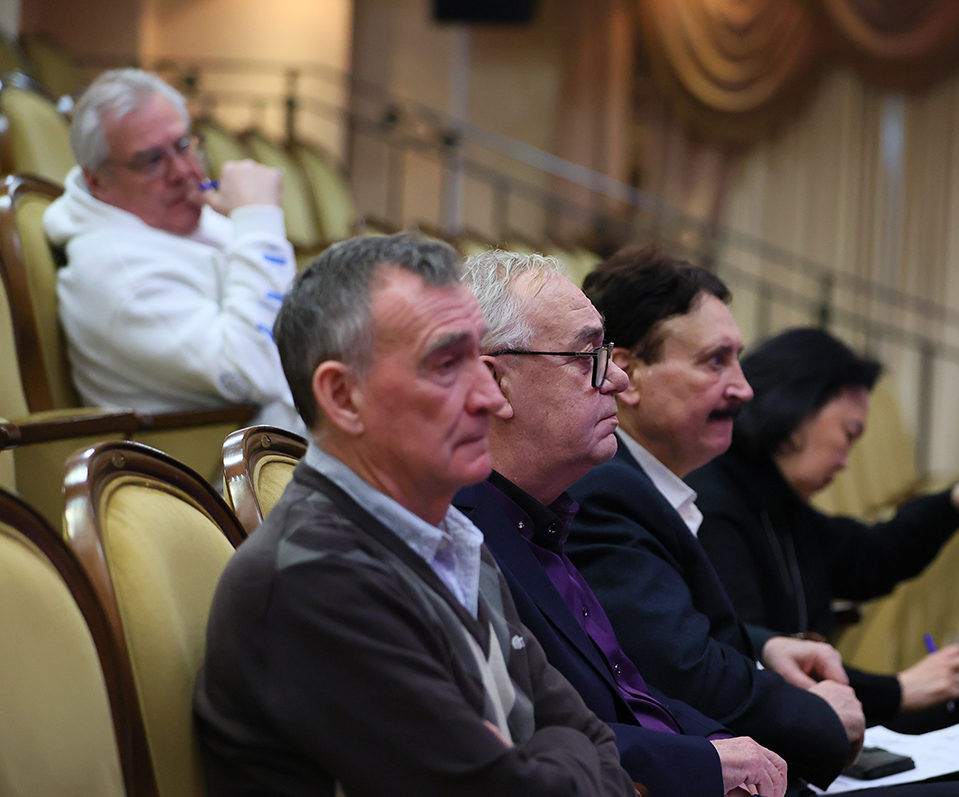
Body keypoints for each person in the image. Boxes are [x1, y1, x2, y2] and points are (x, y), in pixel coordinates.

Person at [194, 234, 635, 797]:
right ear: (343, 396)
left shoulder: (445, 533)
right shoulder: (316, 581)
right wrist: (551, 755)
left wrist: (545, 754)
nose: (488, 398)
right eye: (447, 365)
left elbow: (597, 740)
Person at [566, 246, 959, 796]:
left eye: (739, 360)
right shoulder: (612, 490)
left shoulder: (658, 486)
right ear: (627, 373)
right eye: (715, 361)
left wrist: (765, 645)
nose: (744, 388)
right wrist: (834, 714)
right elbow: (680, 668)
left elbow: (683, 636)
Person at [453, 250, 787, 797]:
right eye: (588, 356)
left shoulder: (542, 517)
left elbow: (629, 693)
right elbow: (525, 734)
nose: (619, 379)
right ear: (495, 383)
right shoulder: (458, 537)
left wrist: (721, 746)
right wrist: (705, 761)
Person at [687, 327, 959, 739]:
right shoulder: (715, 502)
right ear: (797, 407)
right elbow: (747, 655)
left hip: (809, 720)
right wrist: (898, 689)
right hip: (767, 736)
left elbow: (871, 557)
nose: (845, 462)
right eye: (848, 433)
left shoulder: (777, 503)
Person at [44, 68, 303, 432]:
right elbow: (257, 371)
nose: (183, 171)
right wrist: (257, 219)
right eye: (151, 160)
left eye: (182, 145)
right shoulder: (118, 272)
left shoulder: (180, 219)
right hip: (212, 463)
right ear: (97, 181)